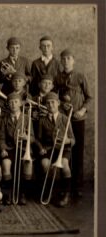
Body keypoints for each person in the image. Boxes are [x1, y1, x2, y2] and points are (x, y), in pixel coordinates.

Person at [54, 49, 92, 198]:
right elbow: (55, 98)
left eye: (69, 58)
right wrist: (62, 105)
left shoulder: (81, 76)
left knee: (78, 152)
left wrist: (82, 110)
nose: (66, 61)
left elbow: (89, 97)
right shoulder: (58, 77)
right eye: (63, 59)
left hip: (78, 119)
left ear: (73, 60)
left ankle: (78, 186)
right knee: (65, 151)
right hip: (64, 120)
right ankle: (66, 188)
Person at [36, 92, 75, 207]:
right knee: (45, 164)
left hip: (64, 149)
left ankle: (66, 194)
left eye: (53, 102)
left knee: (64, 164)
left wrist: (66, 140)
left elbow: (73, 139)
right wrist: (40, 148)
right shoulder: (42, 120)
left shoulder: (65, 118)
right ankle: (50, 192)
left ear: (58, 103)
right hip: (48, 148)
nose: (50, 105)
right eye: (48, 103)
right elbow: (38, 139)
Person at [0, 93, 35, 205]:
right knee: (5, 164)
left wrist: (27, 137)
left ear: (20, 103)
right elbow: (1, 137)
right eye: (11, 102)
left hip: (23, 148)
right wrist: (3, 149)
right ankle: (9, 193)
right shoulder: (4, 119)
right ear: (8, 104)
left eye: (15, 101)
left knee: (28, 165)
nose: (13, 104)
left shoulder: (27, 118)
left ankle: (22, 194)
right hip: (9, 148)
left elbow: (33, 138)